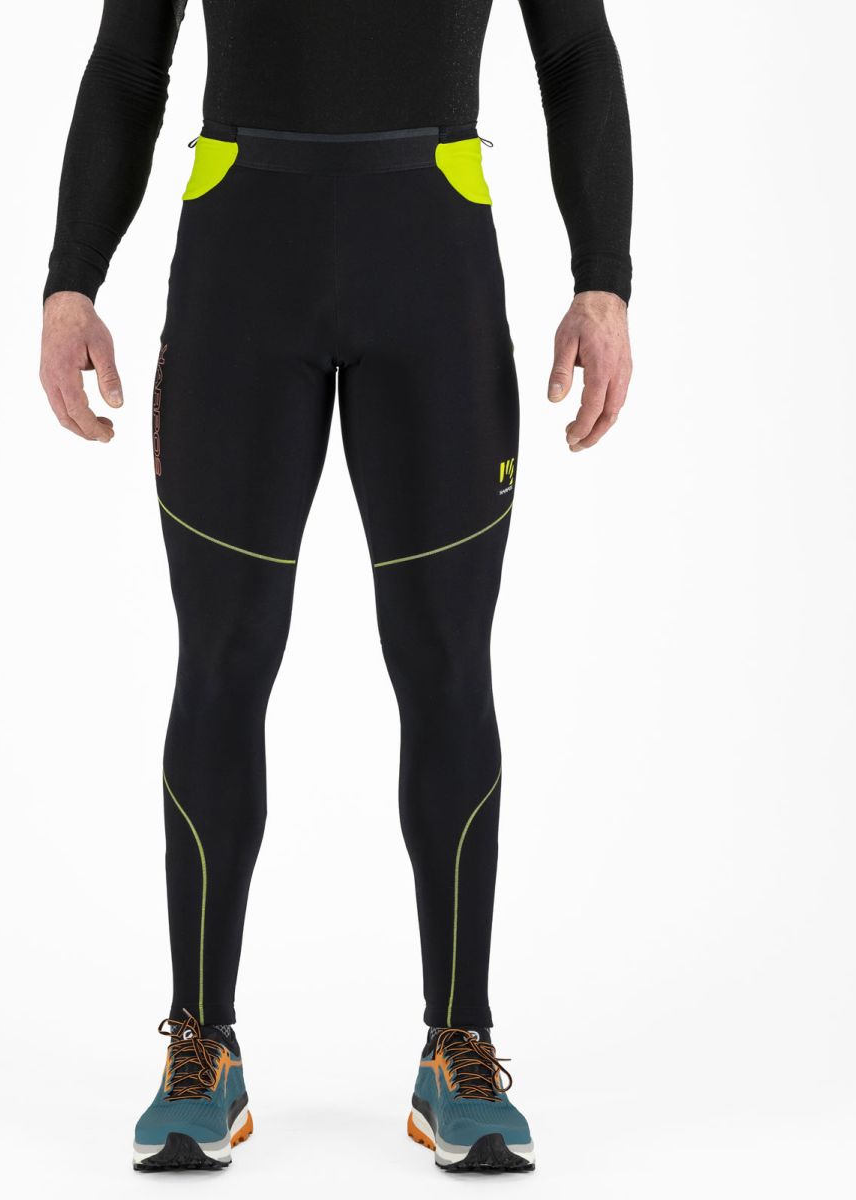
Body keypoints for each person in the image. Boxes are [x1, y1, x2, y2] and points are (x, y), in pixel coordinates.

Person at [39, 0, 632, 1174]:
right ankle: (199, 1045)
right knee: (222, 660)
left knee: (446, 666)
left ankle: (457, 1044)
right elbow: (128, 62)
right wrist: (71, 280)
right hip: (240, 273)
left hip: (431, 271)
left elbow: (572, 50)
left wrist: (602, 278)